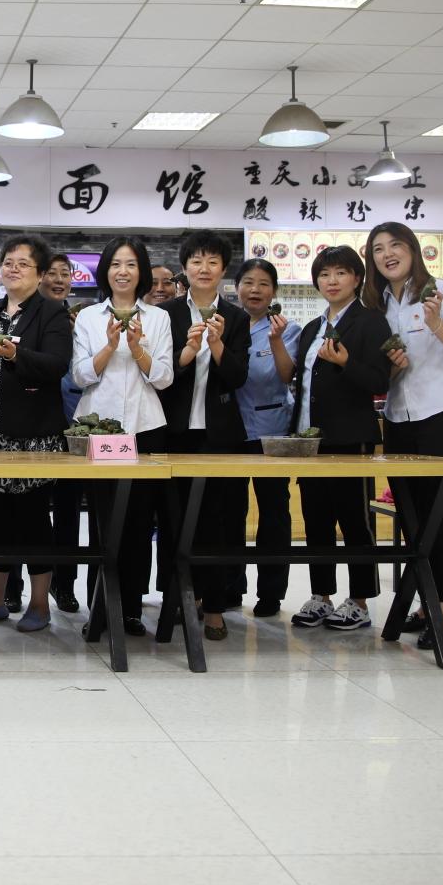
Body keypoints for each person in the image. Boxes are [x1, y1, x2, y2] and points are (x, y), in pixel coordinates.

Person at [365, 222, 443, 649]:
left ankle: (442, 614)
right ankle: (421, 605)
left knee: (440, 515)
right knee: (411, 514)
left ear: (413, 250)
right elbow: (388, 374)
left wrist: (435, 324)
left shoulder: (442, 292)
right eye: (378, 249)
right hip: (398, 416)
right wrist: (390, 368)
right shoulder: (377, 306)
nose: (387, 254)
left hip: (441, 412)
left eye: (395, 245)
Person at [0, 235, 72, 634]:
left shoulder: (52, 313)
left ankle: (39, 604)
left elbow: (57, 365)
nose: (13, 269)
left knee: (33, 521)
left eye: (23, 264)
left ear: (40, 273)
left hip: (33, 435)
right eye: (8, 262)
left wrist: (15, 355)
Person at [70, 236, 174, 636]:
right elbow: (80, 375)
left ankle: (130, 608)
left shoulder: (159, 318)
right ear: (105, 271)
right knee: (102, 521)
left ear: (141, 271)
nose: (123, 271)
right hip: (99, 429)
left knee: (138, 523)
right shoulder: (88, 317)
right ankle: (98, 609)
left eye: (131, 264)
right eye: (115, 264)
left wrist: (137, 348)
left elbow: (164, 378)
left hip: (146, 427)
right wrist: (111, 347)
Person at [289, 245, 394, 632]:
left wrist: (346, 362)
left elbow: (380, 380)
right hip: (310, 441)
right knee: (316, 520)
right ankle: (321, 596)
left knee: (354, 520)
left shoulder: (371, 322)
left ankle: (360, 601)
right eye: (324, 274)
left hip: (349, 438)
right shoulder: (312, 328)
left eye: (340, 273)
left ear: (356, 278)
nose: (331, 281)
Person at [158, 231, 250, 641]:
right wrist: (188, 351)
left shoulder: (236, 317)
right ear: (185, 268)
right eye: (196, 261)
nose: (204, 268)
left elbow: (238, 377)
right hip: (174, 432)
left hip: (220, 434)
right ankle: (177, 599)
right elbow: (160, 375)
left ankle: (214, 607)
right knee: (174, 520)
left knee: (218, 523)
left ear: (223, 269)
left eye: (213, 261)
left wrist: (217, 344)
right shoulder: (165, 314)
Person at [232, 257, 302, 619]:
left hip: (271, 431)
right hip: (231, 430)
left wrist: (275, 341)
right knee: (230, 512)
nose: (255, 290)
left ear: (273, 291)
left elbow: (287, 374)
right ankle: (230, 587)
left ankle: (271, 593)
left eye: (263, 283)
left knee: (273, 512)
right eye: (248, 282)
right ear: (236, 288)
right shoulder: (227, 323)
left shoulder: (287, 328)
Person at [39, 252, 87, 613]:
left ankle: (64, 583)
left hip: (72, 426)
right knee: (30, 510)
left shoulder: (83, 322)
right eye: (52, 273)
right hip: (35, 427)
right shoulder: (30, 318)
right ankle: (15, 585)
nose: (59, 280)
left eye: (64, 274)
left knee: (69, 510)